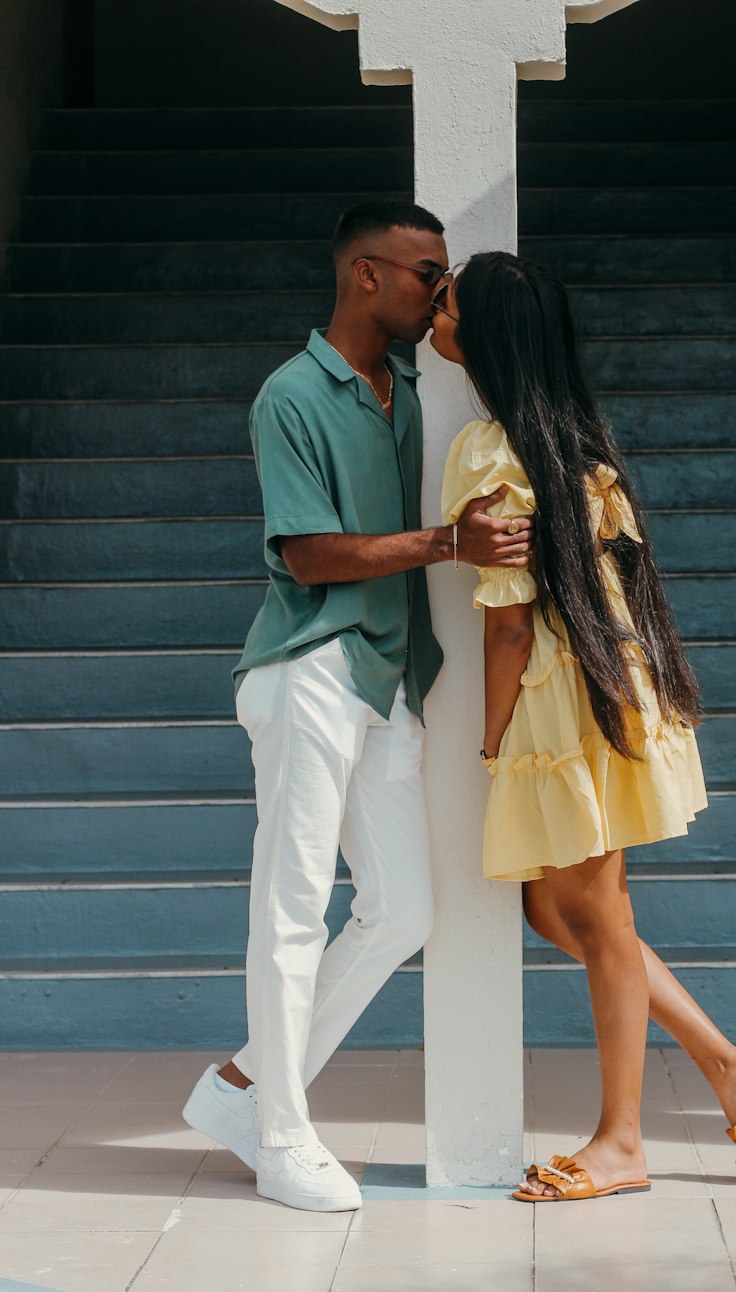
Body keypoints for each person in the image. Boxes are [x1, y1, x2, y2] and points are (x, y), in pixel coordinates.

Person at [182, 204, 530, 1213]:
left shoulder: (412, 383)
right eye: (427, 274)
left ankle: (246, 1087)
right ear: (367, 276)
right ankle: (283, 1137)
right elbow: (309, 555)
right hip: (308, 671)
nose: (438, 293)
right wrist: (444, 545)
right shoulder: (290, 396)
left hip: (388, 678)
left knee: (403, 909)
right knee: (291, 906)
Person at [431, 251, 736, 1202]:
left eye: (449, 305)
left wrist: (489, 736)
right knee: (558, 909)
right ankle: (730, 1066)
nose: (436, 316)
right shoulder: (578, 445)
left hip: (560, 699)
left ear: (481, 338)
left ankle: (623, 1141)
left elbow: (507, 621)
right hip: (611, 685)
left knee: (593, 915)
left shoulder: (489, 448)